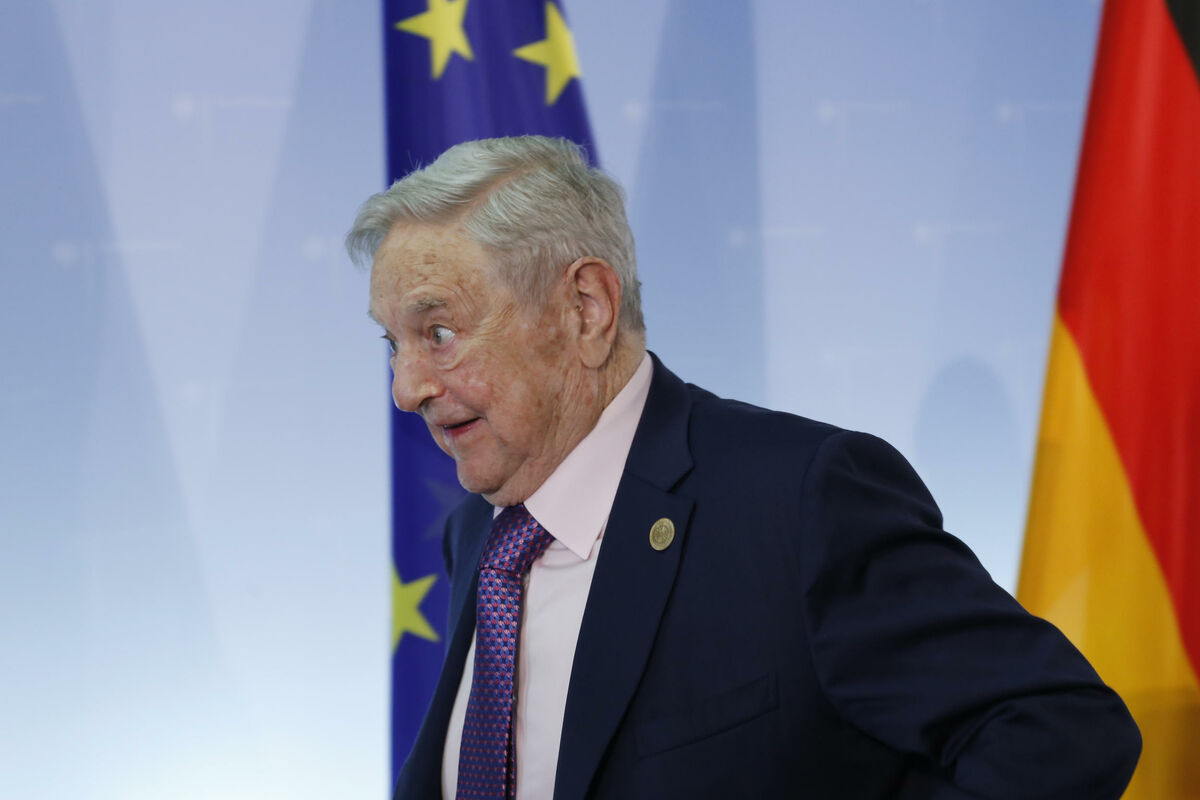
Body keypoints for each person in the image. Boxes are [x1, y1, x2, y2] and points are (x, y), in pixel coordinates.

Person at [347, 136, 1141, 799]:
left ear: (586, 308)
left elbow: (1061, 731)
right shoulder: (479, 539)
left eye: (439, 333)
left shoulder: (797, 501)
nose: (406, 389)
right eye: (393, 343)